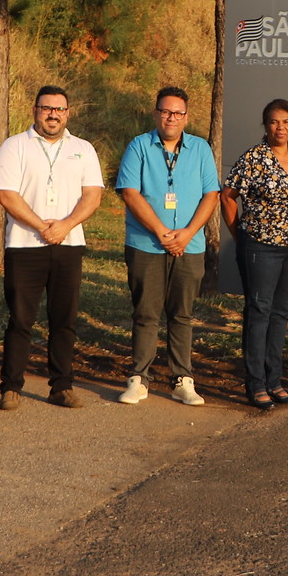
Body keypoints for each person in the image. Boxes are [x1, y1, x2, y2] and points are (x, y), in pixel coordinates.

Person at [0, 85, 102, 410]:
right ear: (35, 111)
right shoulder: (15, 146)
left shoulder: (83, 149)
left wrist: (65, 226)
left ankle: (61, 386)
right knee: (20, 320)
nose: (53, 114)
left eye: (59, 109)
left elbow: (93, 195)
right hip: (25, 244)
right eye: (46, 108)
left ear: (68, 113)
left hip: (69, 244)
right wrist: (42, 226)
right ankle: (11, 387)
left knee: (64, 320)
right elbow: (6, 194)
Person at [113, 87, 217, 407]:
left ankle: (182, 379)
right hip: (146, 244)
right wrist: (161, 232)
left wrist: (186, 234)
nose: (171, 118)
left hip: (190, 245)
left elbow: (211, 195)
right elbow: (130, 193)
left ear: (186, 117)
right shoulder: (139, 146)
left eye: (177, 113)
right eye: (165, 111)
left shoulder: (200, 149)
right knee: (146, 313)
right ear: (156, 113)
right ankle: (139, 378)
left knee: (182, 314)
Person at [222, 98, 288, 410]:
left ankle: (274, 380)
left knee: (280, 314)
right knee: (259, 312)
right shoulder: (253, 158)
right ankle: (255, 383)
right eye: (274, 122)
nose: (280, 127)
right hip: (261, 246)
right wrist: (240, 235)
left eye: (286, 122)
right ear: (265, 126)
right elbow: (228, 196)